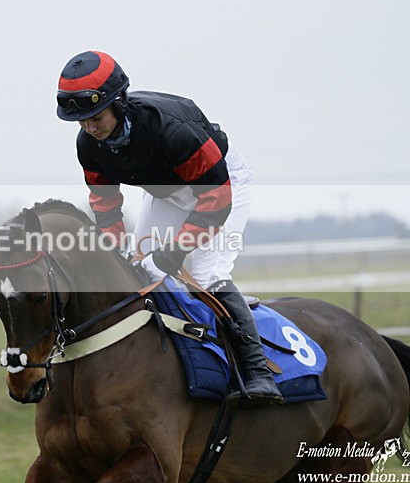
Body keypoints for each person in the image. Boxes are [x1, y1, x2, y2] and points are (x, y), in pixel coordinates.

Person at [56, 50, 283, 407]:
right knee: (138, 263)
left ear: (118, 103)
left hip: (221, 184)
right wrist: (116, 248)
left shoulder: (172, 131)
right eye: (81, 122)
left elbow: (215, 201)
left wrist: (176, 250)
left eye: (95, 117)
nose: (89, 128)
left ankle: (258, 373)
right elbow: (105, 203)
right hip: (167, 189)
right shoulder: (89, 145)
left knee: (207, 273)